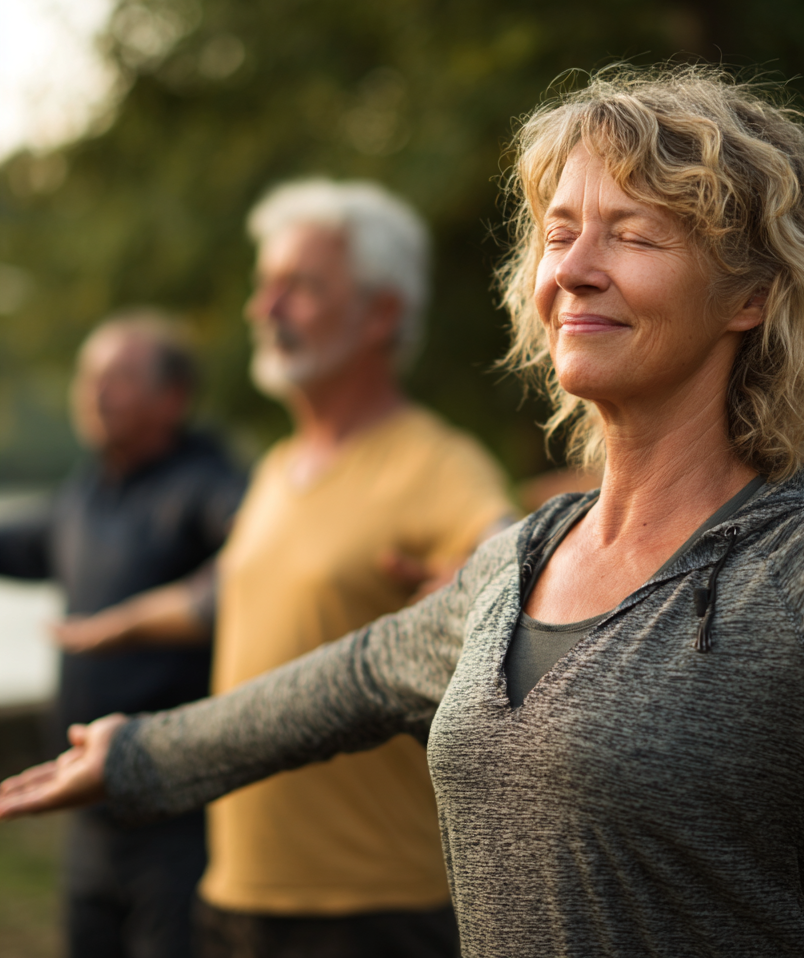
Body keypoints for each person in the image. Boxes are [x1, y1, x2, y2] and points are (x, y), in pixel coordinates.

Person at [4, 67, 804, 958]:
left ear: (748, 293)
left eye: (630, 234)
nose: (572, 270)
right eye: (560, 232)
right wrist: (139, 755)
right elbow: (350, 678)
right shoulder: (517, 562)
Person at [74, 179, 514, 958]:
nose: (263, 308)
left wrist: (477, 577)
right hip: (232, 899)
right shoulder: (277, 469)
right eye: (263, 284)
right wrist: (111, 627)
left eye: (298, 287)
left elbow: (505, 555)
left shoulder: (437, 462)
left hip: (372, 912)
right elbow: (228, 598)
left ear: (381, 312)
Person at [0, 311, 246, 958]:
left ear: (173, 397)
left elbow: (260, 564)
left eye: (118, 378)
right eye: (89, 377)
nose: (95, 392)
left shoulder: (210, 486)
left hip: (179, 814)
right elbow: (19, 544)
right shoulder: (86, 494)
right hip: (88, 812)